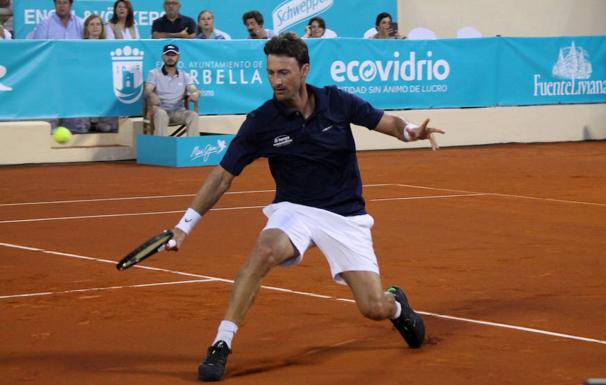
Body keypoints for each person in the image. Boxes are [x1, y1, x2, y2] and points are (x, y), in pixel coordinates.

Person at [164, 32, 444, 381]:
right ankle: (221, 343)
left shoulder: (336, 102)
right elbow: (222, 176)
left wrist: (411, 132)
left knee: (373, 307)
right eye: (270, 73)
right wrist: (184, 225)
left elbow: (385, 121)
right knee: (264, 251)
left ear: (304, 70)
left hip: (344, 214)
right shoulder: (261, 122)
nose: (276, 81)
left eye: (283, 73)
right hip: (294, 208)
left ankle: (396, 304)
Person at [144, 44, 200, 136]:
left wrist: (195, 93)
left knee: (193, 115)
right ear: (163, 57)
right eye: (167, 55)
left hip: (178, 112)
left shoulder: (184, 75)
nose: (170, 58)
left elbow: (193, 89)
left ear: (178, 57)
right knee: (161, 114)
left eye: (173, 55)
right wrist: (152, 95)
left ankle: (192, 147)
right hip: (160, 110)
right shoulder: (154, 73)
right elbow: (147, 90)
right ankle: (161, 146)